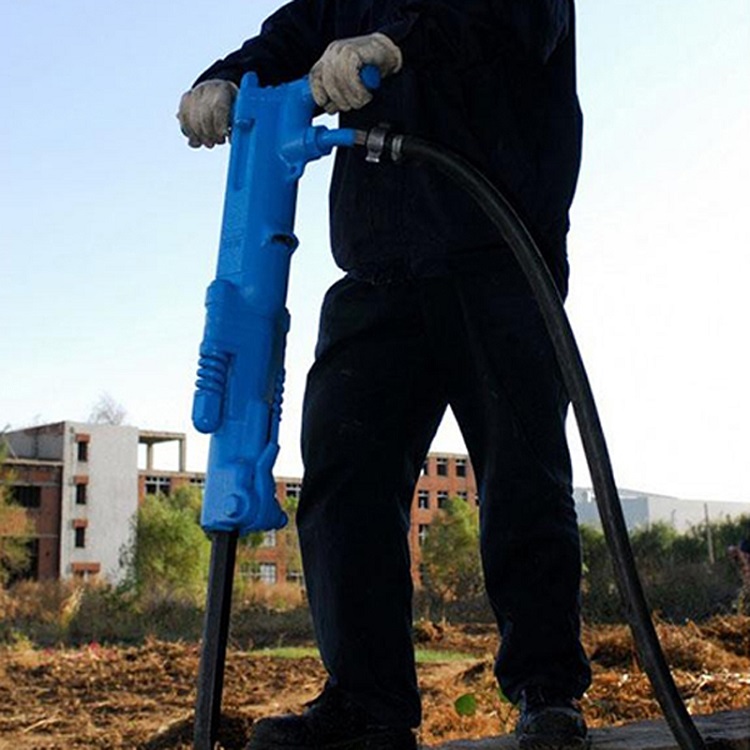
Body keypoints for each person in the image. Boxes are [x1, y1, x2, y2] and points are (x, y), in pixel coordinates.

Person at [178, 2, 592, 748]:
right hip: (379, 264)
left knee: (522, 477)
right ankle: (368, 706)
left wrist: (393, 47)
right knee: (344, 472)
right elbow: (290, 38)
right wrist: (226, 79)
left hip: (496, 248)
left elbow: (515, 22)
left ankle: (547, 690)